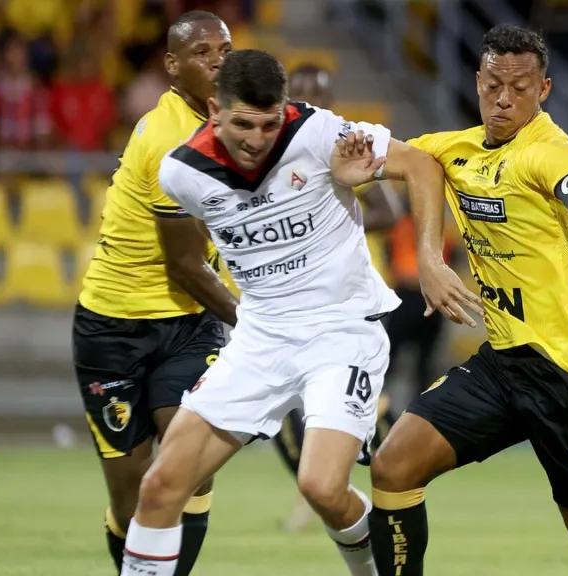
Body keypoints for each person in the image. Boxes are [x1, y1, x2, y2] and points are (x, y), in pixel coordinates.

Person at [119, 49, 461, 576]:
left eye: (269, 123)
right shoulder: (180, 174)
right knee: (161, 485)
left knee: (321, 486)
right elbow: (185, 261)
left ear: (286, 110)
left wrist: (431, 261)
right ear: (214, 109)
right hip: (260, 337)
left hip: (342, 330)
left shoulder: (318, 132)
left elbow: (420, 164)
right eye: (243, 124)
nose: (257, 139)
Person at [367, 25, 568, 576]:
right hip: (503, 364)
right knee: (393, 466)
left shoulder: (548, 151)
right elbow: (389, 160)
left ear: (543, 90)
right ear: (478, 81)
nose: (504, 99)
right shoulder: (454, 149)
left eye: (519, 87)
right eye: (493, 85)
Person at [72, 11, 237, 575]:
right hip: (114, 327)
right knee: (131, 495)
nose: (218, 60)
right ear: (172, 66)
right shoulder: (167, 137)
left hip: (189, 326)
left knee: (191, 462)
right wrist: (263, 322)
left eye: (225, 49)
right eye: (202, 52)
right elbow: (188, 266)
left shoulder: (240, 124)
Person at [273, 62, 404, 533]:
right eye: (301, 92)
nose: (310, 101)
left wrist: (333, 217)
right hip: (301, 299)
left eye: (318, 94)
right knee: (299, 407)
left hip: (353, 297)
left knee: (322, 405)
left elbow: (389, 212)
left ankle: (367, 486)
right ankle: (330, 489)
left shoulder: (343, 146)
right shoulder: (279, 149)